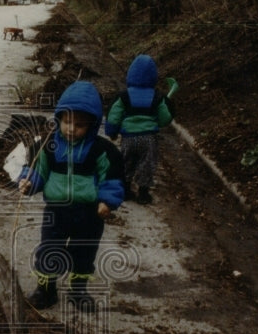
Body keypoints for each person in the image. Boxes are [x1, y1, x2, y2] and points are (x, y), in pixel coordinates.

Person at [17, 81, 124, 312]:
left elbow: (112, 177)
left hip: (89, 214)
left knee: (83, 252)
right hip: (56, 211)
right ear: (59, 119)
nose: (71, 128)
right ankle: (46, 290)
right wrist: (29, 182)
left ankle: (78, 290)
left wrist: (107, 200)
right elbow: (37, 168)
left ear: (93, 124)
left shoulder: (102, 150)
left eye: (80, 124)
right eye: (67, 122)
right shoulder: (49, 146)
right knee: (49, 249)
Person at [104, 54, 177, 205]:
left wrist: (112, 132)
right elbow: (165, 118)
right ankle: (143, 193)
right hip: (149, 138)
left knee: (125, 162)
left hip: (129, 137)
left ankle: (125, 189)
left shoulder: (124, 96)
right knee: (147, 163)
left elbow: (113, 116)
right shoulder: (157, 97)